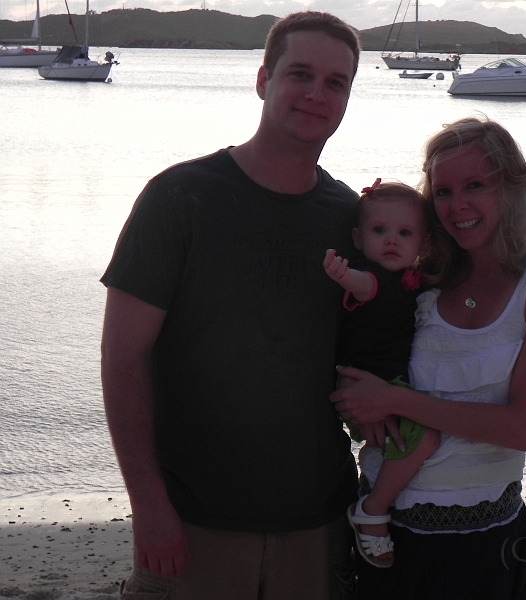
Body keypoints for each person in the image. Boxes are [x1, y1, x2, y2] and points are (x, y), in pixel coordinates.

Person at [100, 12, 362, 600]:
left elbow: (377, 346)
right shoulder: (179, 198)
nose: (317, 94)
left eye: (335, 82)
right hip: (192, 522)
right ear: (264, 80)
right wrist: (149, 505)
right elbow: (123, 359)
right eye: (300, 74)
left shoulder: (350, 218)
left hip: (318, 524)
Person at [331, 117, 526, 600]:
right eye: (443, 191)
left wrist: (393, 401)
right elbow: (356, 342)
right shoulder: (417, 281)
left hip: (483, 542)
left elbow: (521, 429)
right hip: (382, 534)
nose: (457, 205)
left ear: (510, 188)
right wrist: (352, 392)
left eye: (475, 186)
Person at [323, 180, 440, 569]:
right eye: (379, 231)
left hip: (383, 386)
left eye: (405, 233)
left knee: (405, 440)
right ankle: (372, 510)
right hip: (370, 387)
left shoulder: (409, 281)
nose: (392, 240)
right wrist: (343, 276)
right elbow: (363, 287)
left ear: (423, 243)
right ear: (358, 238)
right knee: (426, 436)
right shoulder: (371, 274)